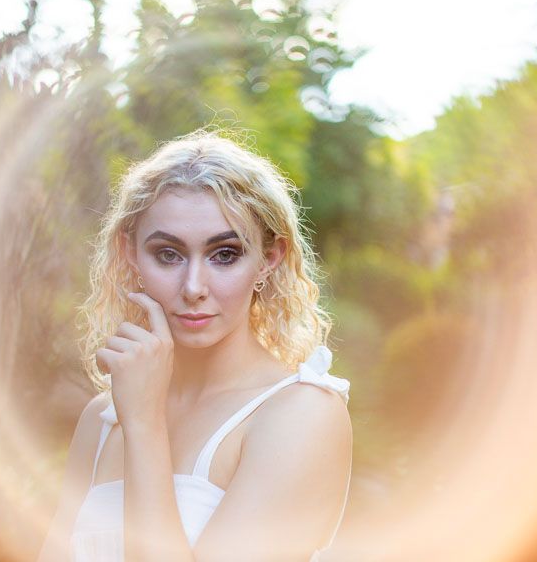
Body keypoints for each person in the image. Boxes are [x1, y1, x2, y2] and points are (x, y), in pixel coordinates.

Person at [37, 129, 352, 561]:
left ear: (269, 258)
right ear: (130, 255)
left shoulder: (301, 415)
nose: (193, 287)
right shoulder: (103, 419)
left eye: (224, 254)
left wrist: (145, 425)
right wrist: (134, 412)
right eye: (168, 254)